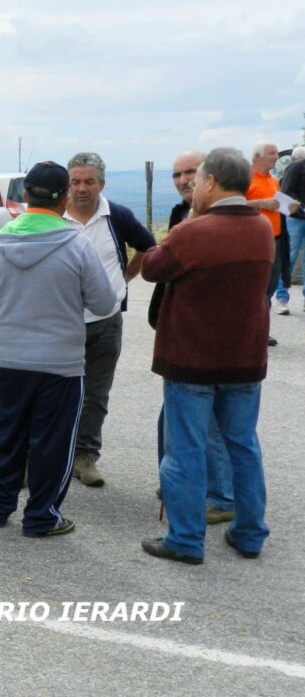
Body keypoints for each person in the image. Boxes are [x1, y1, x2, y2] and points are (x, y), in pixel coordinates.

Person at [0, 162, 116, 537]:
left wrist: (2, 326)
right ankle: (42, 516)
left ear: (25, 196)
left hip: (9, 358)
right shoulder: (77, 244)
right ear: (65, 197)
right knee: (53, 441)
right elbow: (102, 303)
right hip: (61, 362)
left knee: (8, 430)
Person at [141, 147, 272, 564]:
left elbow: (151, 268)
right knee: (243, 447)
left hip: (192, 361)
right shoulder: (262, 230)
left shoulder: (194, 231)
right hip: (244, 359)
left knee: (185, 453)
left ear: (211, 182)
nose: (191, 186)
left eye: (196, 180)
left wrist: (188, 225)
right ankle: (250, 533)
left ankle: (184, 539)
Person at [148, 151, 234, 525]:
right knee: (174, 418)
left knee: (210, 423)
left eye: (191, 174)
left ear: (209, 179)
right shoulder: (179, 214)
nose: (183, 181)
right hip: (181, 331)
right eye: (177, 175)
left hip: (207, 338)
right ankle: (181, 481)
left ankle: (220, 497)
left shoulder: (223, 221)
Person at [64, 152, 156, 487]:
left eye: (89, 181)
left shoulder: (117, 215)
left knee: (96, 394)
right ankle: (44, 457)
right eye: (75, 181)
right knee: (52, 393)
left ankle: (85, 457)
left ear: (102, 183)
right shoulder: (56, 217)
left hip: (106, 320)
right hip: (61, 323)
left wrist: (123, 279)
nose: (82, 188)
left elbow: (148, 248)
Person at [245, 141, 297, 344]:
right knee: (254, 287)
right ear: (257, 156)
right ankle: (248, 332)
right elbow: (233, 203)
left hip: (274, 240)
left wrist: (289, 207)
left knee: (269, 287)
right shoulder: (245, 178)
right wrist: (260, 203)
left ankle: (260, 331)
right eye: (272, 153)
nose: (276, 156)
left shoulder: (273, 180)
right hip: (253, 241)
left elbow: (275, 206)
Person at [274, 146, 305, 313]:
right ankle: (281, 298)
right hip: (295, 218)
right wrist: (300, 208)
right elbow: (285, 191)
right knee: (289, 258)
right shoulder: (296, 167)